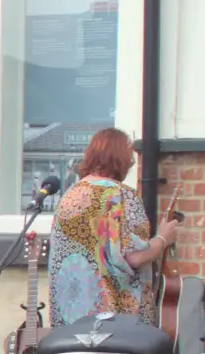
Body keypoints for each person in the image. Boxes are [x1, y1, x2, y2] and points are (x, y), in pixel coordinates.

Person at [48, 127, 177, 328]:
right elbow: (134, 256)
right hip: (113, 327)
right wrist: (162, 238)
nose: (132, 163)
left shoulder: (69, 196)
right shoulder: (121, 196)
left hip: (70, 324)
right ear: (119, 159)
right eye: (129, 158)